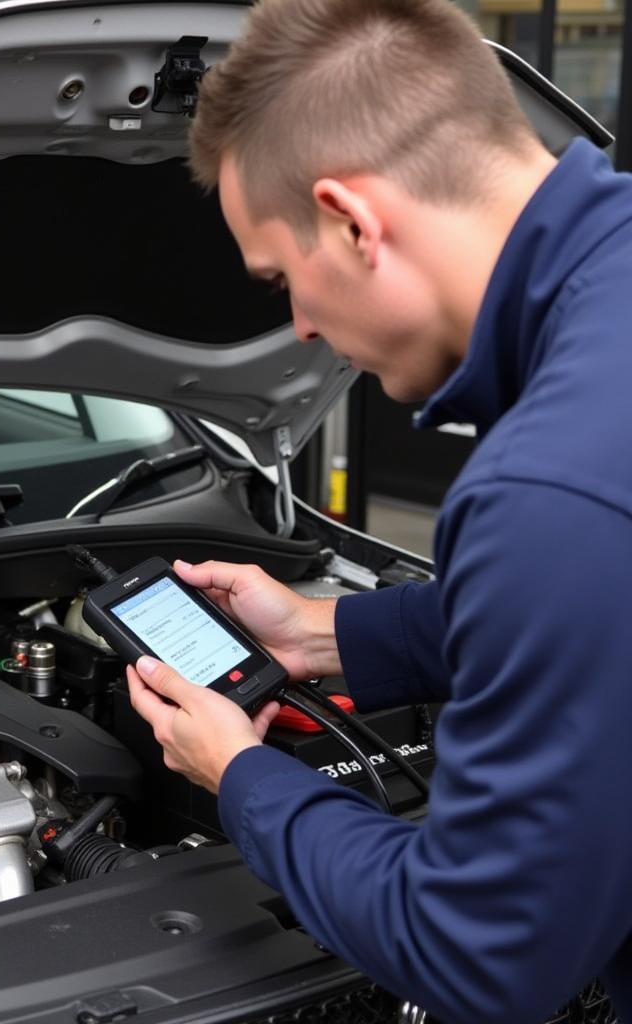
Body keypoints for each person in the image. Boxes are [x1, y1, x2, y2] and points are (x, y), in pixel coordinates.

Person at [124, 0, 632, 1021]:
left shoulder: (550, 489)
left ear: (352, 220)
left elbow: (482, 959)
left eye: (280, 280)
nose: (303, 328)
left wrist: (240, 775)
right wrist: (324, 634)